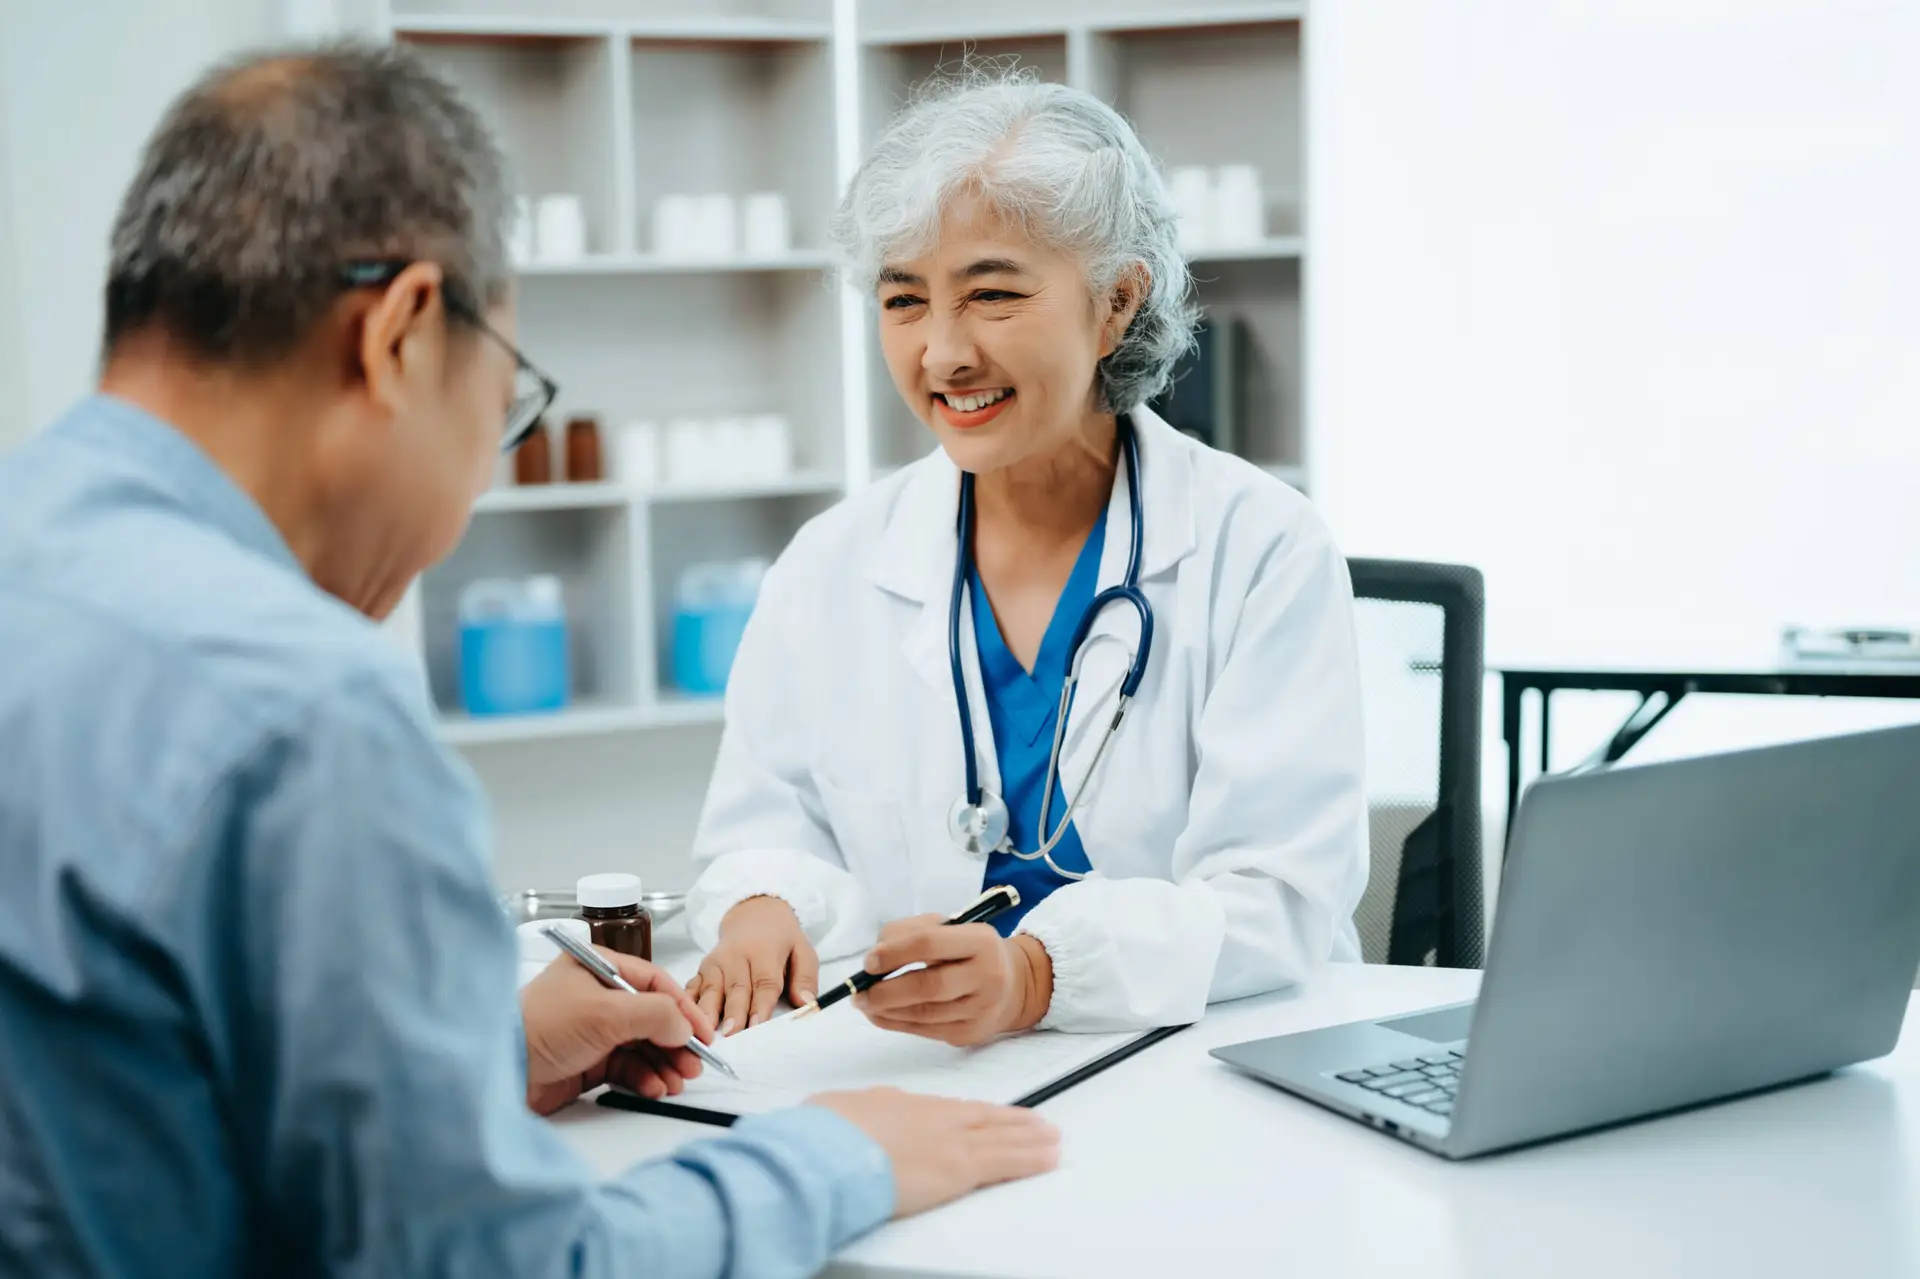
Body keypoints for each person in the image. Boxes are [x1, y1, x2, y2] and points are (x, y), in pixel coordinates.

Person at [0, 42, 1056, 1278]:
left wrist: (477, 1060)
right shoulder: (302, 716)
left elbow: (113, 1090)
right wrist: (840, 1156)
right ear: (398, 334)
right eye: (505, 403)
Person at [683, 71, 1369, 1045]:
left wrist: (1039, 976)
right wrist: (763, 904)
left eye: (992, 294)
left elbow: (1278, 898)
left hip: (1204, 1074)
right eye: (905, 300)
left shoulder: (1261, 549)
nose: (943, 353)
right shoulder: (828, 566)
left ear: (1115, 303)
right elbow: (763, 826)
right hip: (930, 1076)